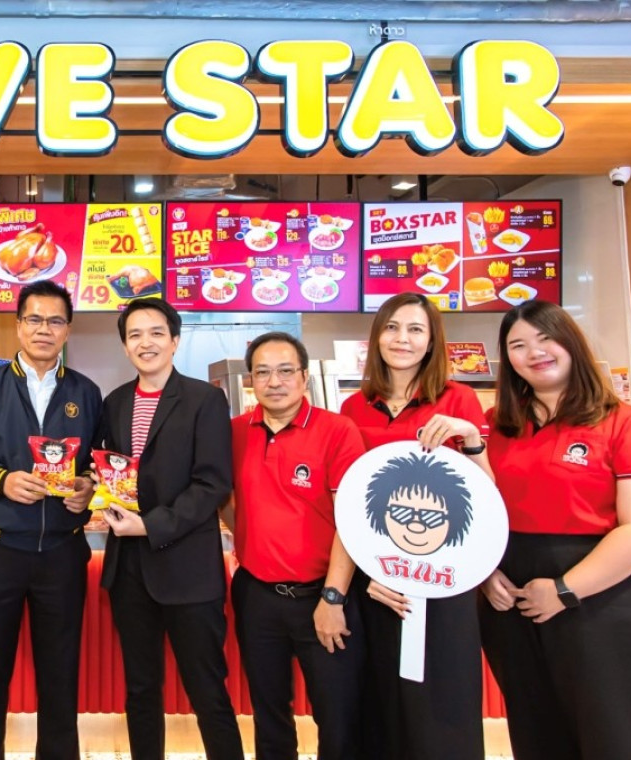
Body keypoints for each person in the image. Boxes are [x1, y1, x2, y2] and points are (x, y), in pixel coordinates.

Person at [0, 280, 101, 760]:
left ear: (67, 329)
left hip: (63, 553)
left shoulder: (86, 391)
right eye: (34, 319)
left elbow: (102, 464)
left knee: (61, 676)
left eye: (55, 320)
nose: (44, 329)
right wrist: (0, 480)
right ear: (18, 325)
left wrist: (88, 489)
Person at [480, 300, 631, 760]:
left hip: (601, 595)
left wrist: (564, 590)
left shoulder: (625, 422)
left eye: (545, 338)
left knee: (614, 732)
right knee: (536, 730)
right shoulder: (497, 425)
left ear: (570, 341)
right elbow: (479, 511)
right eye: (518, 345)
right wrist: (486, 573)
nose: (534, 352)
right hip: (511, 599)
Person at [338, 292, 491, 760]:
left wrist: (470, 438)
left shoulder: (459, 399)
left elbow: (486, 496)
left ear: (432, 341)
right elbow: (351, 500)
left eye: (415, 329)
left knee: (442, 703)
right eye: (392, 327)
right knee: (383, 701)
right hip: (378, 579)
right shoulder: (354, 406)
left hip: (444, 578)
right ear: (376, 337)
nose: (402, 339)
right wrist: (370, 572)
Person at [97, 298, 242, 760]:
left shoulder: (205, 399)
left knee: (207, 690)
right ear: (125, 346)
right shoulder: (114, 402)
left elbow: (212, 483)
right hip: (129, 572)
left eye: (157, 332)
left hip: (189, 572)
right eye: (135, 335)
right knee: (141, 690)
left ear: (175, 340)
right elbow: (113, 472)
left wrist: (149, 525)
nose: (147, 343)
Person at [222, 332, 366, 760]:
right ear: (251, 380)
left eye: (286, 371)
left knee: (337, 716)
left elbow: (352, 520)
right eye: (263, 372)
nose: (274, 381)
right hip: (256, 595)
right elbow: (223, 500)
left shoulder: (337, 430)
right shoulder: (235, 431)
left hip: (323, 596)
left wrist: (333, 597)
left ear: (304, 377)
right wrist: (250, 541)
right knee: (269, 715)